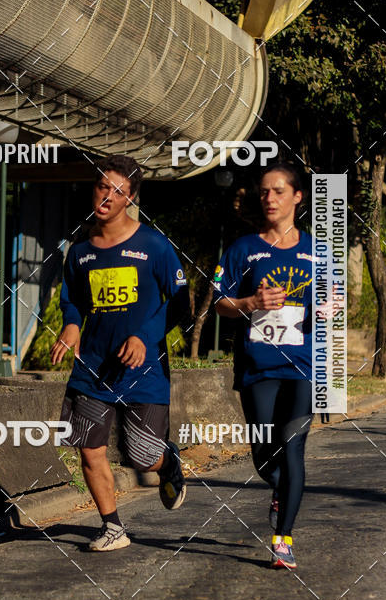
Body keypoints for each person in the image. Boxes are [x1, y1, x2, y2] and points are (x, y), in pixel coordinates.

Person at [51, 154, 190, 551]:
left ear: (130, 198)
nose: (106, 196)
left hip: (144, 371)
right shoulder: (79, 251)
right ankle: (112, 527)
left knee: (143, 456)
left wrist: (146, 336)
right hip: (93, 367)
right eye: (101, 186)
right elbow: (74, 300)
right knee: (89, 449)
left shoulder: (154, 245)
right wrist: (72, 325)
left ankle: (169, 463)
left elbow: (181, 305)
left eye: (117, 191)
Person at [213, 162, 313, 569]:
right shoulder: (243, 249)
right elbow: (221, 304)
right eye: (264, 192)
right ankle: (279, 488)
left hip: (304, 366)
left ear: (296, 197)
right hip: (258, 367)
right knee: (263, 453)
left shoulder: (317, 251)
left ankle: (283, 538)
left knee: (293, 451)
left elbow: (335, 304)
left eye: (277, 191)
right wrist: (252, 303)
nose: (269, 198)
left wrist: (327, 311)